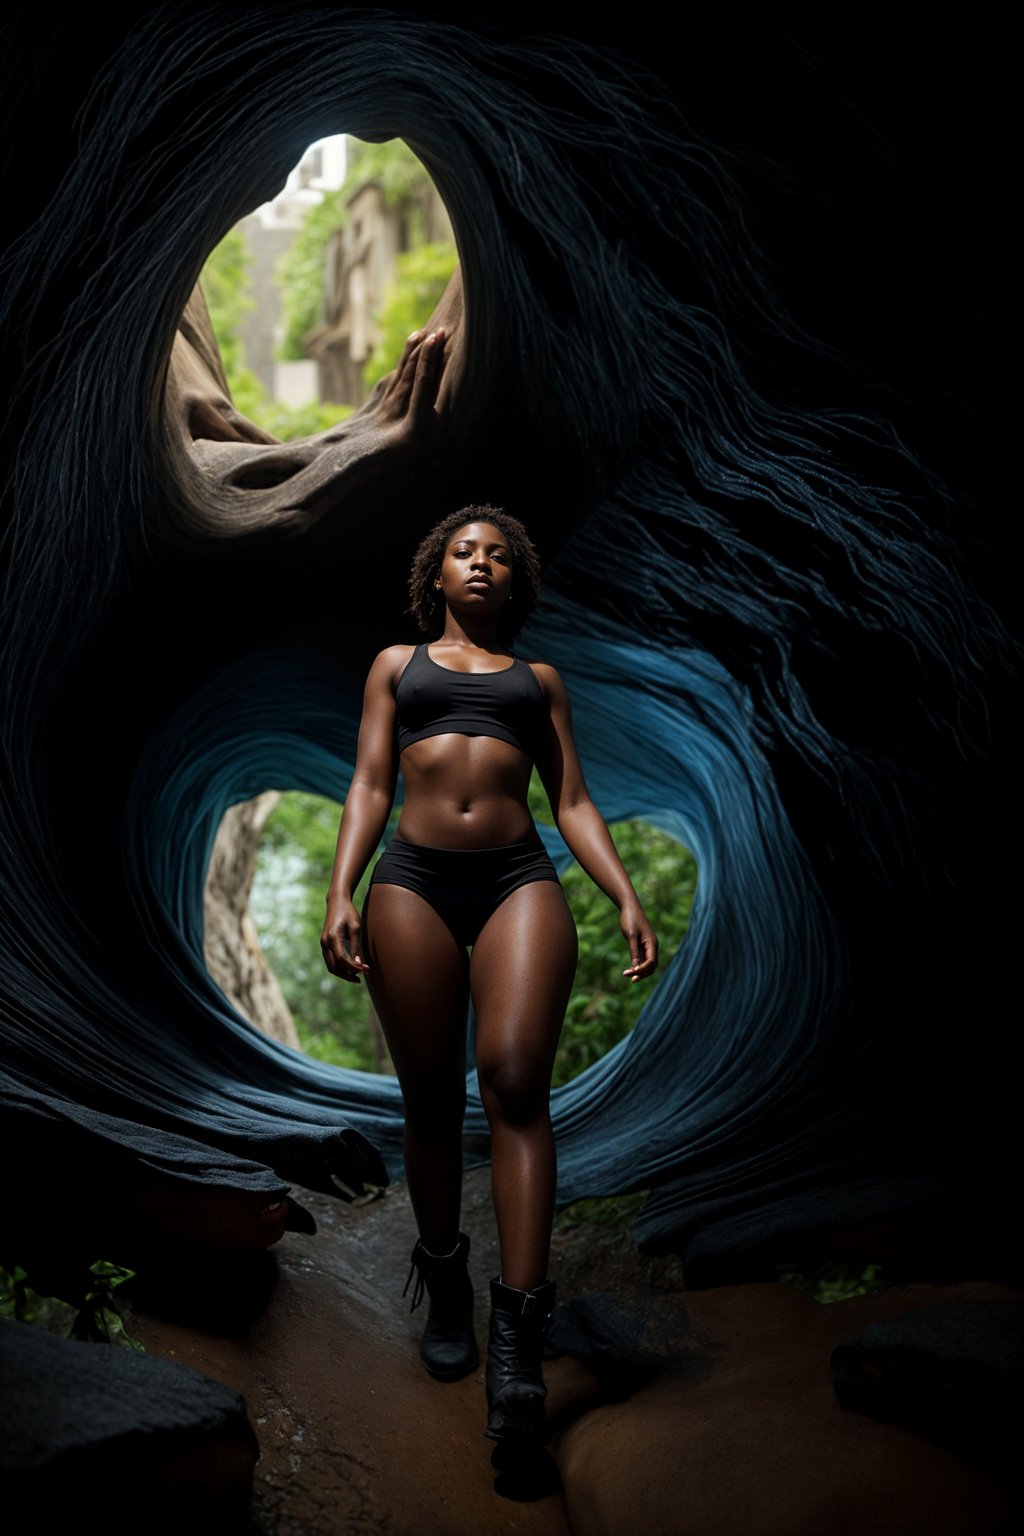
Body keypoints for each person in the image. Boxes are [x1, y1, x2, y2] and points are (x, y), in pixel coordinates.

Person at [320, 498, 658, 1452]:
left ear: (517, 580)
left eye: (497, 555)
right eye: (463, 552)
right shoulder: (398, 666)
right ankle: (447, 1279)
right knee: (430, 1100)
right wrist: (340, 890)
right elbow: (371, 785)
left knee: (514, 1080)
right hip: (412, 883)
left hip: (517, 879)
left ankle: (517, 1338)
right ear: (437, 574)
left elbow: (576, 800)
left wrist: (623, 893)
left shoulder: (539, 682)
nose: (479, 563)